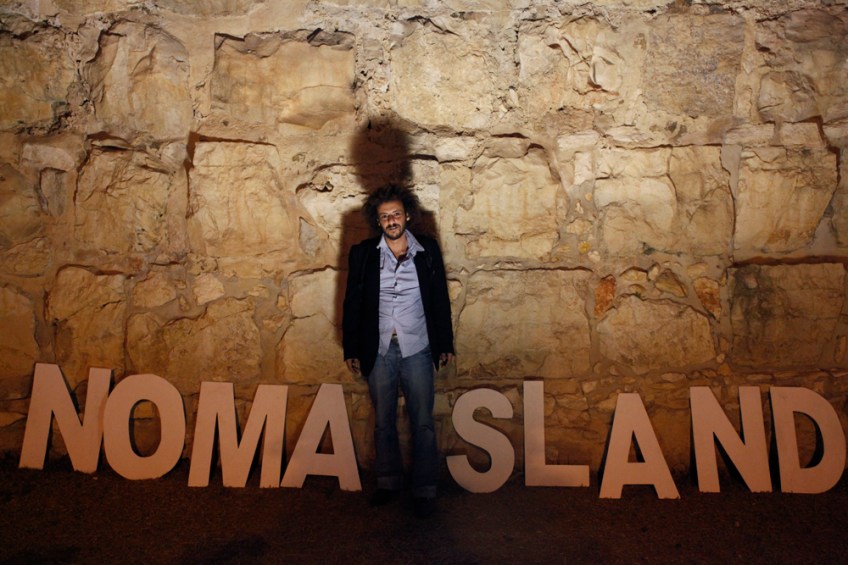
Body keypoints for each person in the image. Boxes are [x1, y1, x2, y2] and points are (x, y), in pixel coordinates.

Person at [342, 184, 454, 518]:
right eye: (384, 216)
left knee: (422, 421)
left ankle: (425, 487)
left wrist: (445, 343)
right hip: (378, 349)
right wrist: (351, 347)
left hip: (417, 346)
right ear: (378, 221)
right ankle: (388, 482)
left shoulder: (427, 250)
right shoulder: (364, 254)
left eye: (396, 214)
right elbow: (352, 302)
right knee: (383, 420)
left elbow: (439, 298)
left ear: (407, 216)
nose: (391, 220)